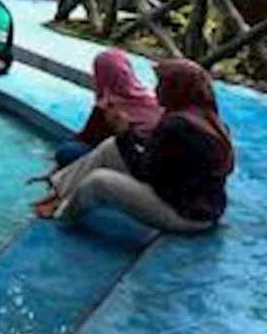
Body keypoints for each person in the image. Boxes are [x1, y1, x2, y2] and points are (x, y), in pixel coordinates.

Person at [31, 59, 234, 234]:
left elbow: (144, 173)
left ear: (177, 89)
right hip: (200, 204)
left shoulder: (177, 126)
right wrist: (127, 135)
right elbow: (159, 160)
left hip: (185, 214)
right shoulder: (205, 117)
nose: (156, 90)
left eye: (163, 84)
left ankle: (62, 215)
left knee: (98, 181)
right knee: (111, 147)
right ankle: (59, 193)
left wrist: (124, 132)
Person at [53, 49, 163, 168]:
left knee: (67, 151)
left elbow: (89, 138)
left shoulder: (109, 104)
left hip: (125, 159)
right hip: (144, 155)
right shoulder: (149, 98)